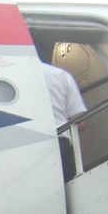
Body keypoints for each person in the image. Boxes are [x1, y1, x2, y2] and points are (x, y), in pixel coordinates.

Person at [37, 42, 87, 182]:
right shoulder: (61, 75)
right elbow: (81, 123)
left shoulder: (16, 76)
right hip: (61, 145)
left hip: (30, 146)